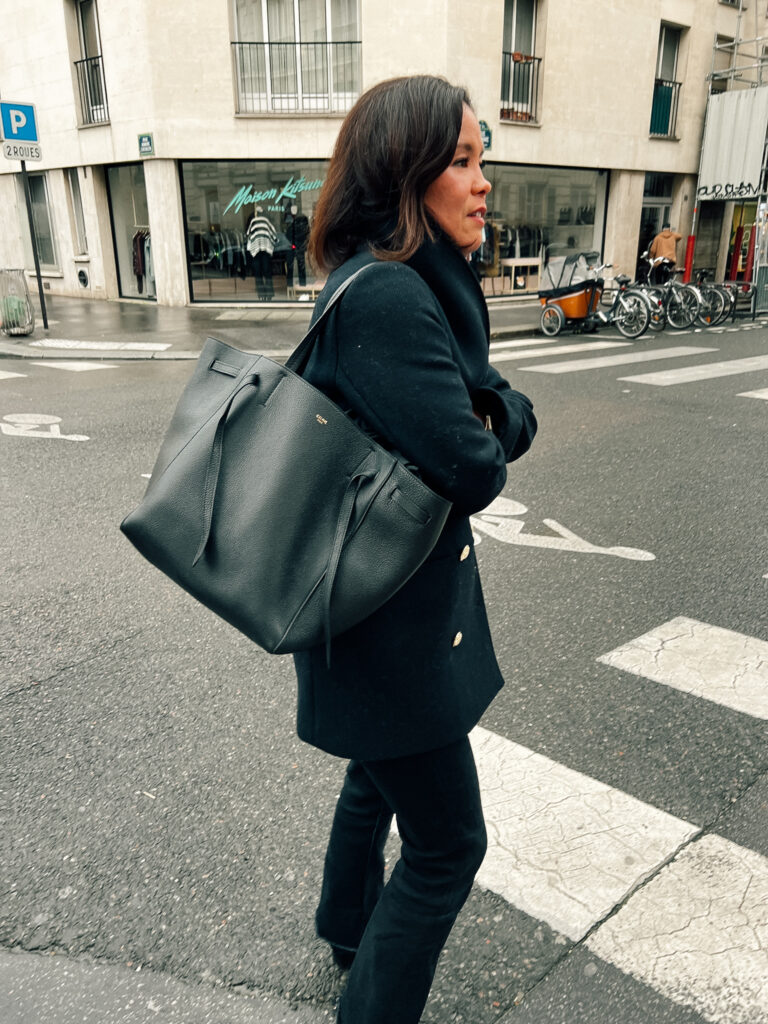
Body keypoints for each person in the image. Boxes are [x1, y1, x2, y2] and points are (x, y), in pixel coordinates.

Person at [293, 75, 537, 1024]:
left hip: (370, 620)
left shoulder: (392, 283)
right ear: (407, 173)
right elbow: (475, 462)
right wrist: (500, 416)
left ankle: (346, 918)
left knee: (377, 773)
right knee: (447, 849)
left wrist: (489, 408)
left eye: (486, 162)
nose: (483, 184)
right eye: (464, 162)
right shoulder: (393, 297)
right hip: (387, 629)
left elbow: (477, 407)